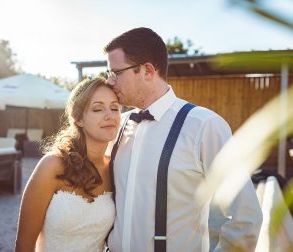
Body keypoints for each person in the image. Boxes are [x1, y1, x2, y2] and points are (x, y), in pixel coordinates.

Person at [104, 27, 263, 252]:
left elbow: (246, 217)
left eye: (116, 73)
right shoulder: (117, 125)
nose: (109, 82)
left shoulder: (204, 126)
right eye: (108, 74)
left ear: (147, 70)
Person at [15, 77, 121, 252]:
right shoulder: (52, 166)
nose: (110, 116)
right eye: (98, 109)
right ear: (78, 119)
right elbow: (23, 246)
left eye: (115, 108)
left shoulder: (115, 168)